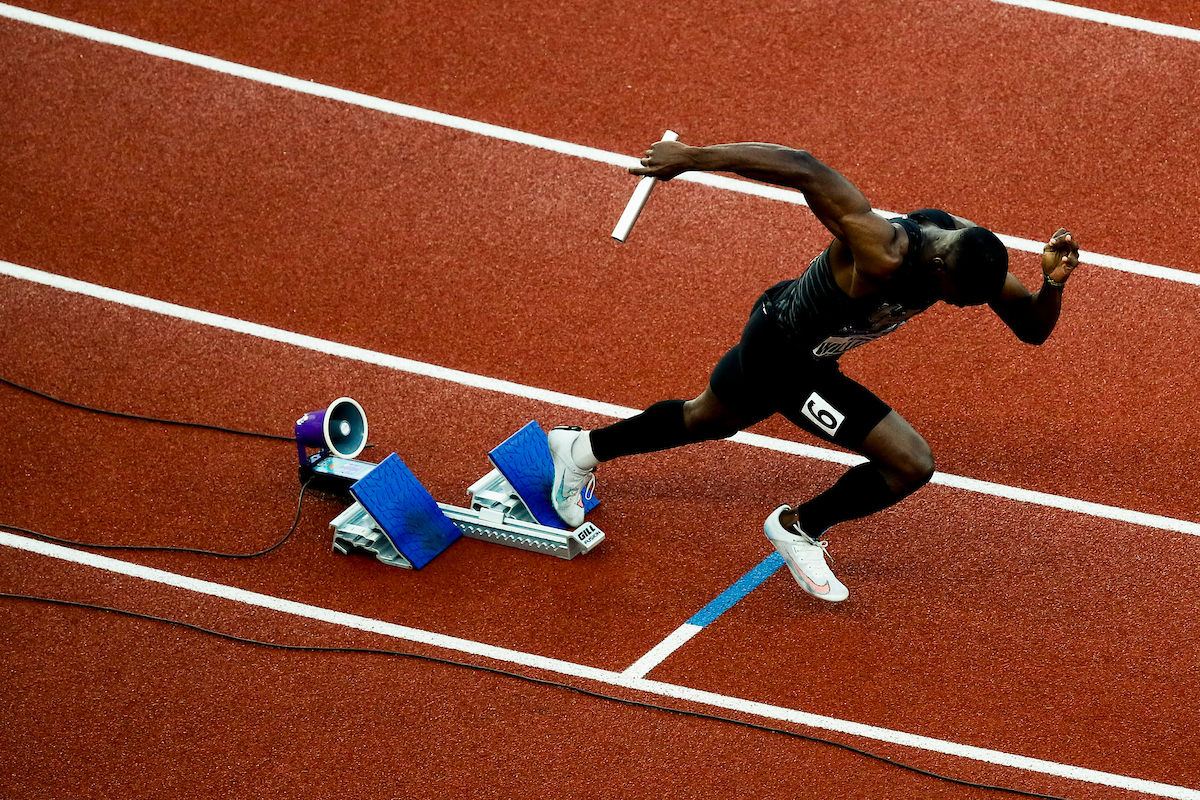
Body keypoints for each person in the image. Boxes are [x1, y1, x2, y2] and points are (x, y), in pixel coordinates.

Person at [549, 138, 1081, 602]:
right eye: (957, 300)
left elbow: (1031, 328)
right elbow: (802, 167)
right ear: (939, 267)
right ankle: (797, 527)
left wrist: (1053, 282)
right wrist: (691, 158)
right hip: (785, 357)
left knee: (705, 419)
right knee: (911, 463)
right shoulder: (882, 248)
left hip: (791, 338)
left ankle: (579, 449)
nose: (960, 308)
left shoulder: (968, 253)